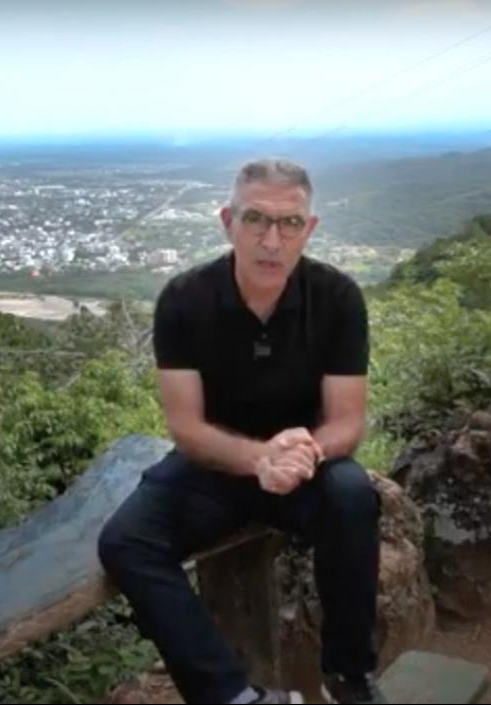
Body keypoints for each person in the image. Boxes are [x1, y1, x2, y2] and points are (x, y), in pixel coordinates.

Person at [97, 158, 383, 704]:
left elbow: (347, 419)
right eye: (256, 220)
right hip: (216, 466)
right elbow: (185, 425)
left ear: (310, 228)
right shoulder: (184, 300)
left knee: (352, 495)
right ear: (227, 221)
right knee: (127, 541)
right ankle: (232, 697)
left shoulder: (337, 298)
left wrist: (304, 453)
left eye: (289, 223)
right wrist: (258, 460)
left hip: (304, 468)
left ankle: (348, 677)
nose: (272, 240)